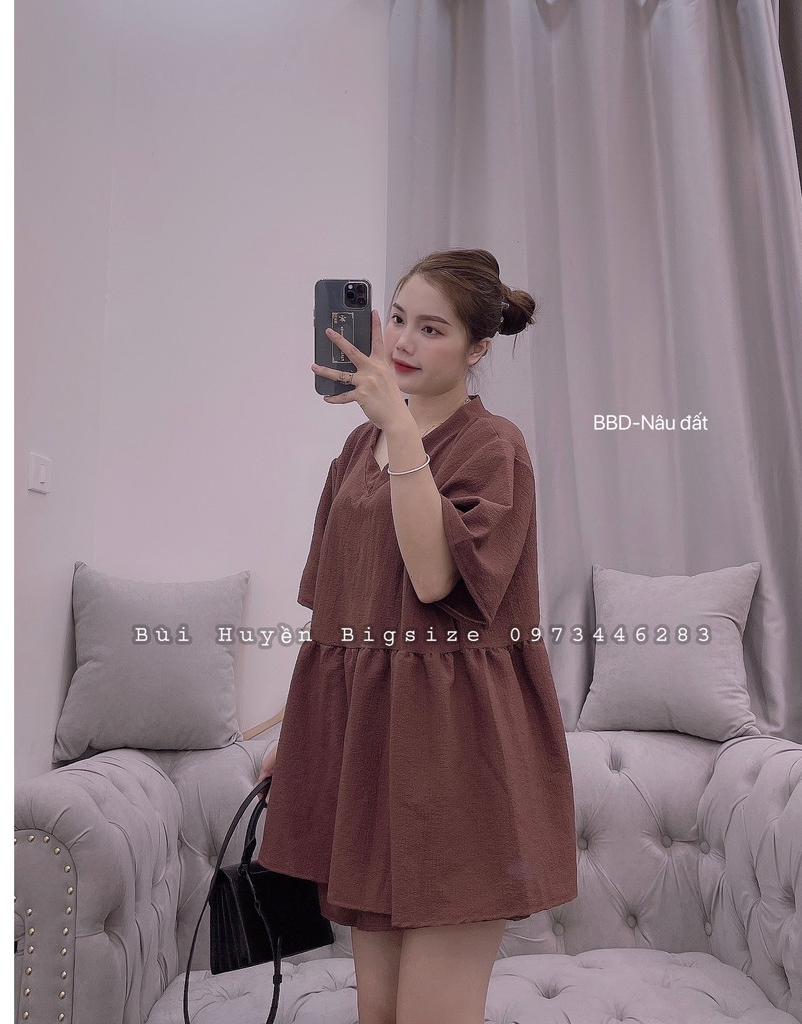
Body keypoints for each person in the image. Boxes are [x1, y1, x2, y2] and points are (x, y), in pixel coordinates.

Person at [255, 248, 577, 1024]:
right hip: (373, 755)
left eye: (432, 329)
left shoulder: (493, 446)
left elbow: (434, 580)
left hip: (459, 755)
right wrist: (296, 731)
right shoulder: (355, 450)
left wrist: (398, 425)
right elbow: (339, 615)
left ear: (478, 349)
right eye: (397, 318)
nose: (402, 341)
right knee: (379, 1013)